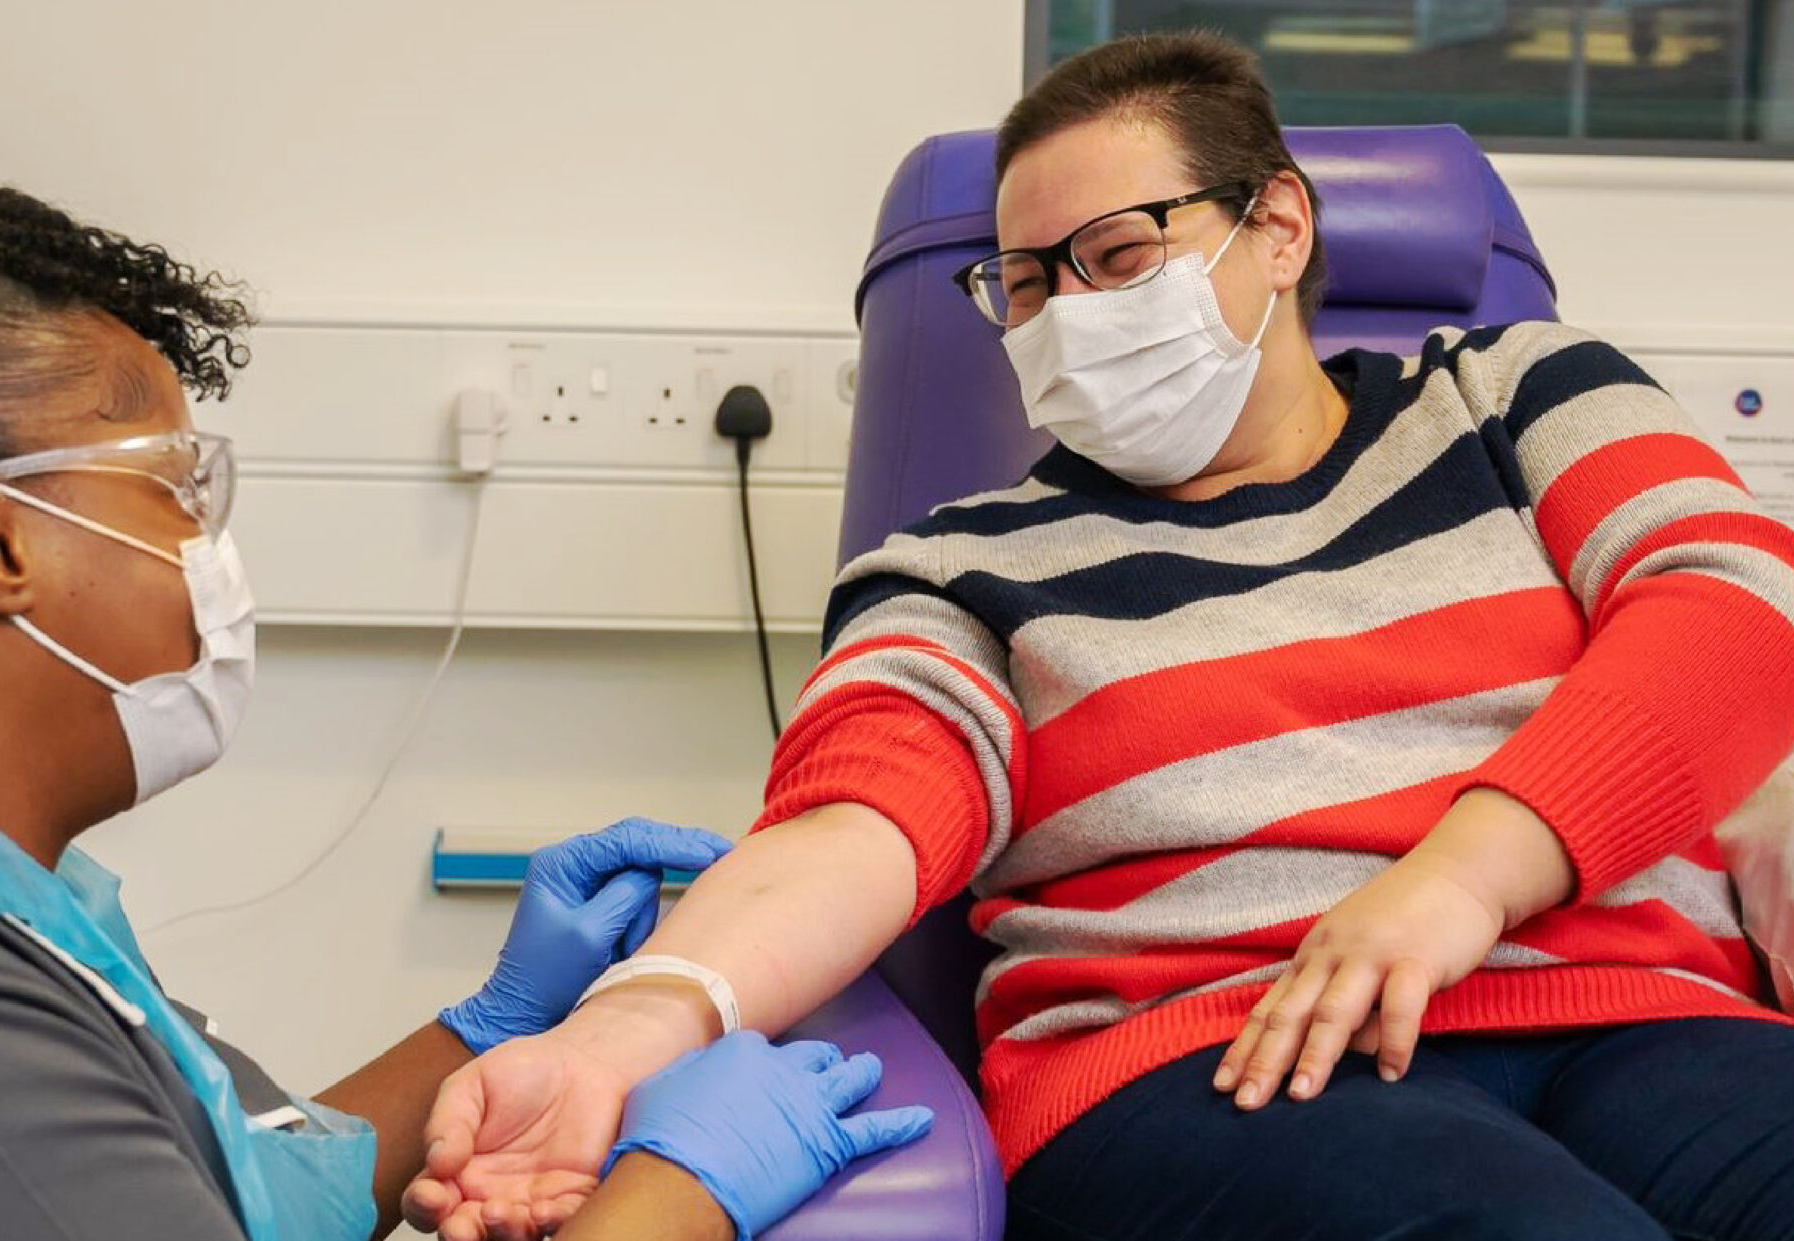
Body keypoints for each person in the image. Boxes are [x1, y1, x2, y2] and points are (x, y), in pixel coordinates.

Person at [405, 31, 1794, 1241]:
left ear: (1281, 227)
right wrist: (619, 1031)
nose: (1068, 314)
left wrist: (1457, 883)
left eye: (1119, 256)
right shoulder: (963, 564)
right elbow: (854, 823)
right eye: (1022, 282)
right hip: (1210, 1059)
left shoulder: (1516, 396)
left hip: (1635, 1010)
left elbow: (1733, 608)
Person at [0, 187, 931, 1241]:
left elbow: (255, 1186)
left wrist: (492, 1029)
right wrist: (680, 1192)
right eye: (176, 487)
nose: (209, 550)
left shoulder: (0, 897)